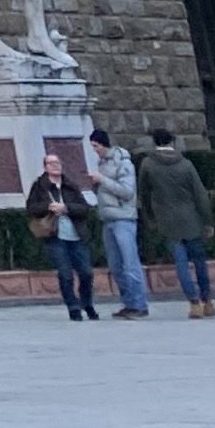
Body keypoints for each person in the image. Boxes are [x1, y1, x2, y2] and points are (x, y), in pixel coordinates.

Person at [138, 125, 215, 314]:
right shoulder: (185, 164)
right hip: (191, 218)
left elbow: (144, 193)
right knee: (199, 261)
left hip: (166, 219)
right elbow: (200, 195)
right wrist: (208, 220)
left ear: (154, 142)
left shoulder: (148, 164)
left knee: (180, 263)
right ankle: (207, 301)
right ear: (172, 142)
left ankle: (193, 302)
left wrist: (150, 216)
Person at [25, 149, 98, 321]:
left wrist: (66, 208)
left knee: (86, 273)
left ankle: (87, 303)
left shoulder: (70, 185)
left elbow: (84, 208)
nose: (55, 166)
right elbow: (31, 208)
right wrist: (48, 207)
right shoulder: (39, 186)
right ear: (45, 167)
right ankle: (73, 306)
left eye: (57, 163)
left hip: (76, 235)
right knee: (65, 274)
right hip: (55, 236)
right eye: (51, 163)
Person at [89, 132, 149, 319]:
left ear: (104, 145)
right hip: (108, 218)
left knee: (130, 263)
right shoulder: (103, 163)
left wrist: (102, 181)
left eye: (96, 146)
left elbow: (127, 191)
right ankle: (129, 302)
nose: (94, 150)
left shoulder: (123, 162)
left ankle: (139, 304)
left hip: (123, 218)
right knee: (116, 266)